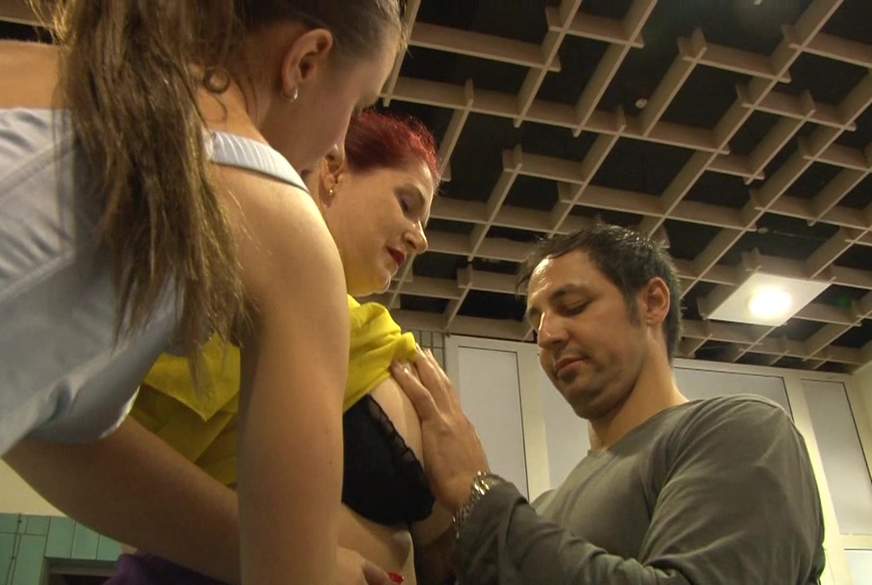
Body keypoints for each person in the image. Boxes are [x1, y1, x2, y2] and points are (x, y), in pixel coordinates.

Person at [0, 2, 403, 584]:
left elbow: (56, 436)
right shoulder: (280, 221)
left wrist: (298, 553)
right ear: (305, 61)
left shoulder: (31, 69)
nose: (341, 141)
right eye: (358, 105)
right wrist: (309, 560)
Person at [117, 111, 454, 585]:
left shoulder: (378, 341)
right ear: (334, 170)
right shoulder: (184, 310)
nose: (421, 239)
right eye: (407, 203)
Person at [391, 224, 827, 584]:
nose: (547, 335)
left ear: (653, 302)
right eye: (537, 322)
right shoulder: (543, 510)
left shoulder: (741, 432)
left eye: (573, 306)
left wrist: (477, 492)